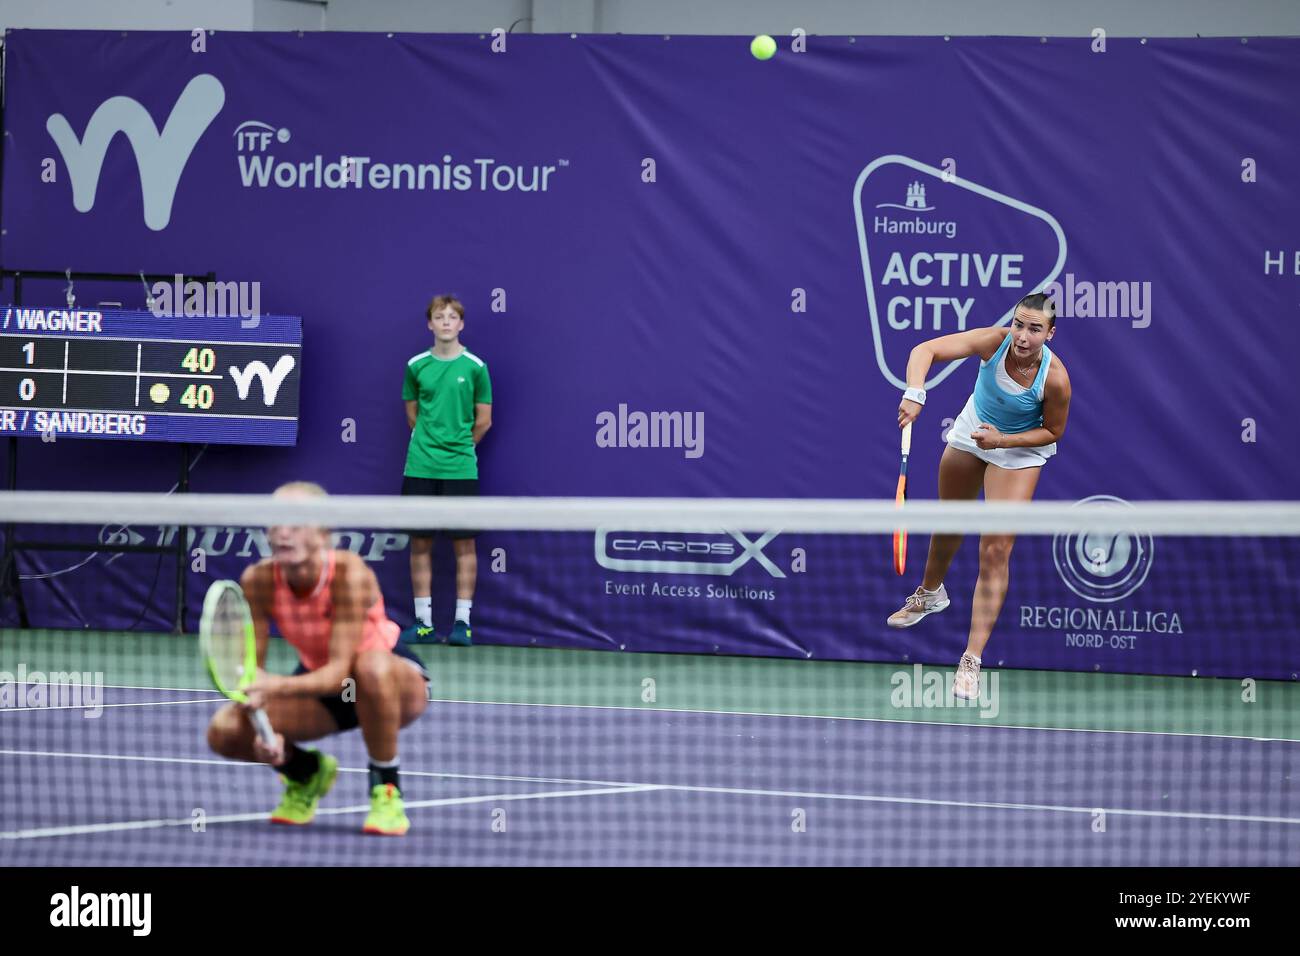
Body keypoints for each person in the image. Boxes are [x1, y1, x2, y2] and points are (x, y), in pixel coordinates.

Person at [206, 481, 430, 836]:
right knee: (226, 731)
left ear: (323, 532)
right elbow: (253, 673)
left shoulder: (348, 573)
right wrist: (260, 717)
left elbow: (342, 674)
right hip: (323, 690)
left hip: (389, 683)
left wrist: (273, 686)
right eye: (276, 523)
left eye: (296, 523)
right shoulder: (259, 579)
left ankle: (386, 788)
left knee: (368, 667)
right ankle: (305, 773)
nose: (283, 533)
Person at [887, 292, 1072, 700]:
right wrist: (915, 393)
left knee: (995, 549)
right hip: (973, 433)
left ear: (1050, 333)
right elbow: (926, 350)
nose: (1023, 335)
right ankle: (930, 593)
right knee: (950, 521)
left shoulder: (1055, 378)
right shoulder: (994, 341)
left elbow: (1053, 432)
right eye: (1019, 324)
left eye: (1034, 328)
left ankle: (971, 658)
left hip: (1019, 449)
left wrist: (1003, 441)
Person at [400, 295, 493, 646]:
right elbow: (412, 414)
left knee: (463, 546)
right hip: (420, 466)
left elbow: (483, 420)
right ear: (430, 324)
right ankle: (423, 623)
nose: (446, 322)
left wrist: (458, 447)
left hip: (461, 469)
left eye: (452, 317)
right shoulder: (415, 366)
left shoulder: (475, 367)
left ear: (461, 324)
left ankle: (462, 624)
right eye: (439, 317)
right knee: (419, 544)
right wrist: (430, 444)